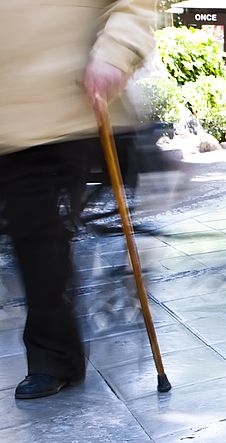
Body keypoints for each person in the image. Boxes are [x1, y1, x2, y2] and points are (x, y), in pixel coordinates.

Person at [0, 0, 157, 400]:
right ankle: (54, 354)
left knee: (44, 234)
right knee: (34, 236)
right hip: (12, 116)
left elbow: (134, 5)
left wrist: (115, 54)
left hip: (75, 105)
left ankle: (58, 352)